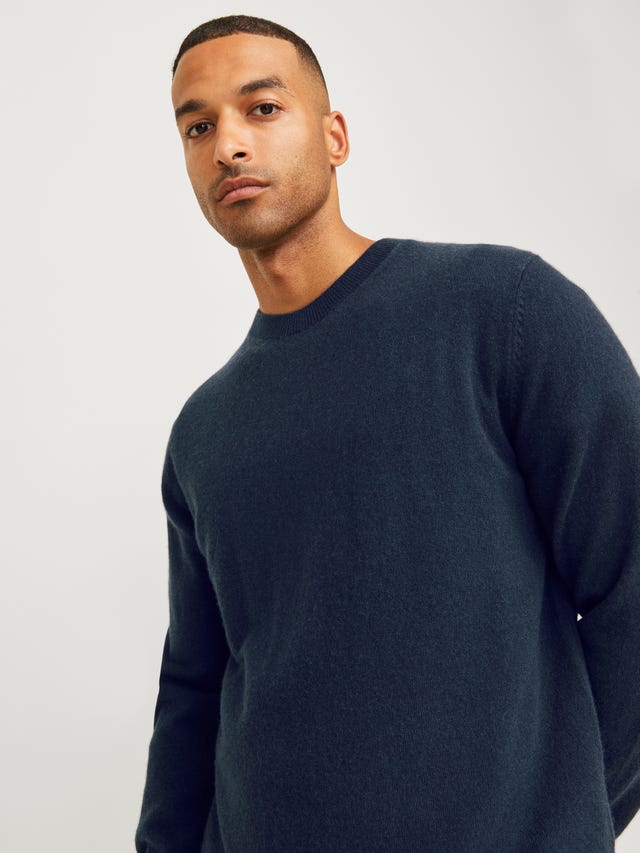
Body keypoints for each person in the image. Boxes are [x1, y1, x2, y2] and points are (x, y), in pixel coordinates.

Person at [135, 14, 640, 852]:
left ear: (334, 135)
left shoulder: (504, 312)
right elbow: (193, 689)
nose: (228, 145)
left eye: (262, 108)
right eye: (198, 126)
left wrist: (566, 818)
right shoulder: (203, 432)